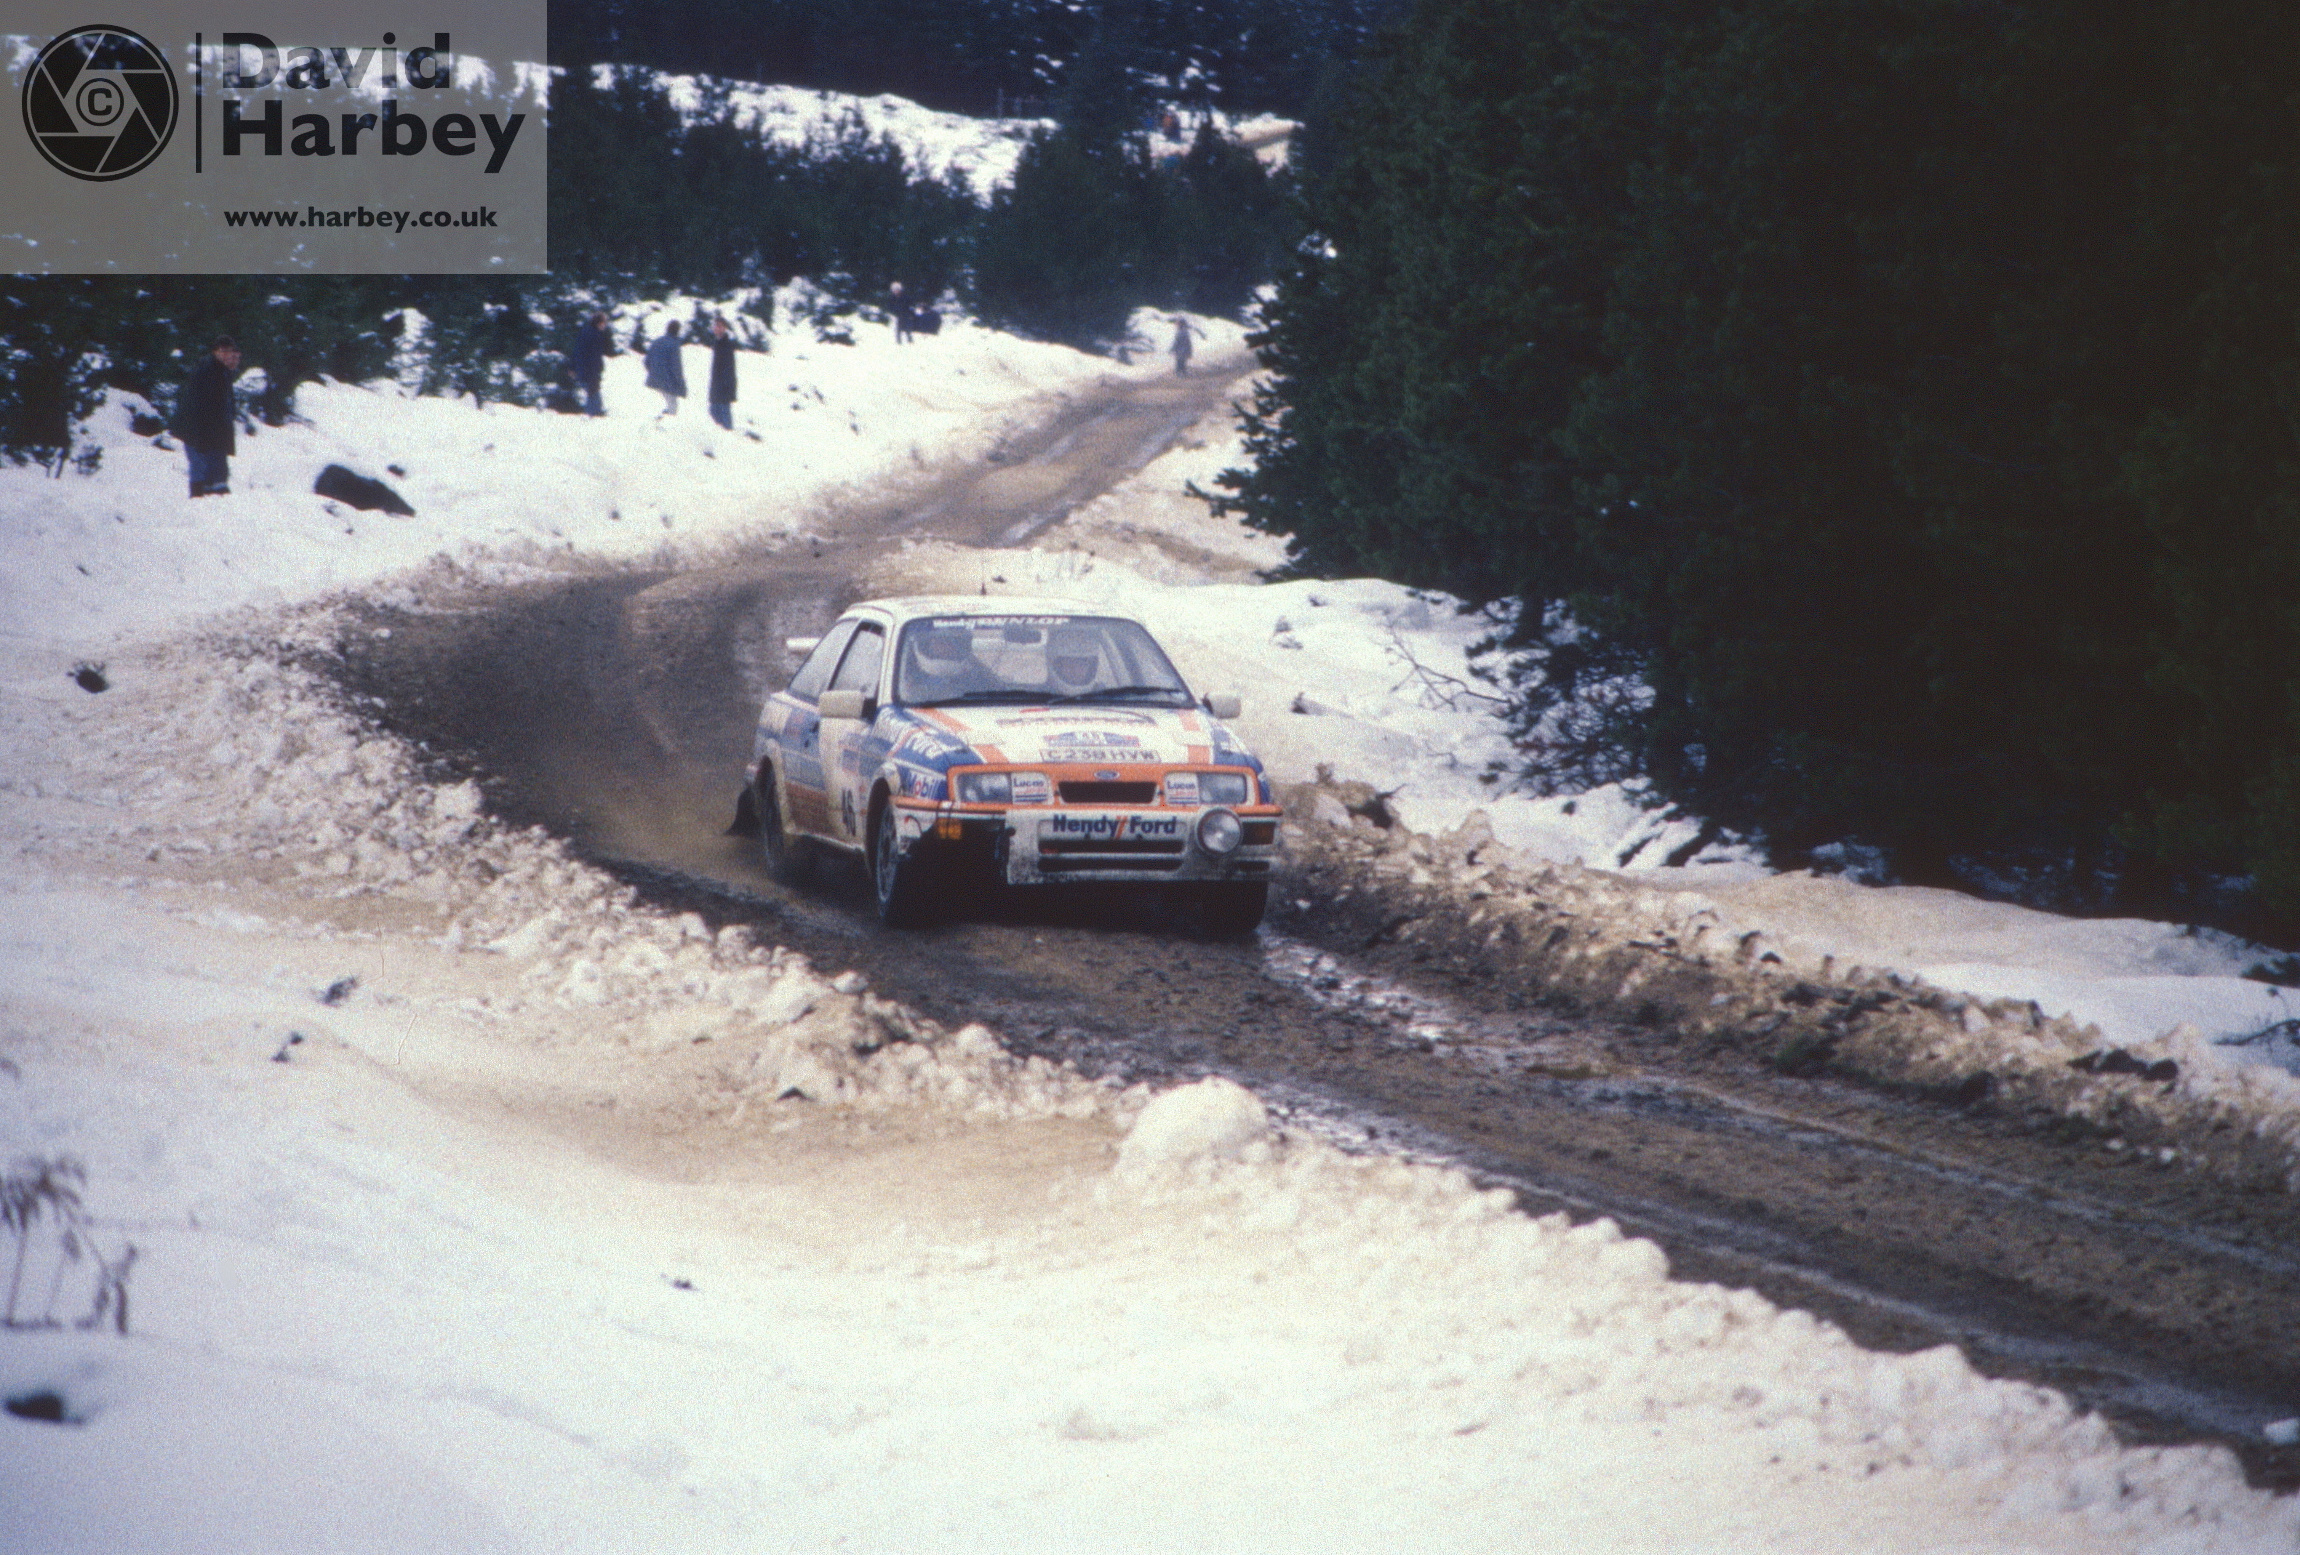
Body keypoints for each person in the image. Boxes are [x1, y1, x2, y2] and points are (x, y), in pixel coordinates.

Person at [176, 334, 242, 497]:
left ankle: (213, 489)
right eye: (223, 351)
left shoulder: (222, 370)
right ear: (215, 352)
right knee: (199, 459)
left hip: (211, 425)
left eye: (229, 351)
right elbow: (201, 401)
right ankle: (199, 494)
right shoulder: (208, 369)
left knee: (212, 456)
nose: (227, 355)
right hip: (196, 424)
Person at [643, 319, 686, 416]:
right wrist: (681, 386)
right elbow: (676, 367)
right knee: (672, 408)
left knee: (657, 407)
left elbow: (646, 361)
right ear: (678, 331)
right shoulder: (674, 345)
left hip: (653, 382)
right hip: (668, 384)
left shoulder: (656, 341)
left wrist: (653, 372)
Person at [569, 312, 608, 416]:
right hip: (589, 371)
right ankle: (593, 414)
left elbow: (576, 350)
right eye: (604, 323)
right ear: (599, 323)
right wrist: (596, 371)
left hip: (583, 369)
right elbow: (594, 357)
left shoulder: (585, 332)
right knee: (593, 391)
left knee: (593, 392)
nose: (605, 325)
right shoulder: (595, 335)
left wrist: (572, 367)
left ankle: (595, 411)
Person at [706, 316, 738, 430]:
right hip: (717, 389)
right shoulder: (718, 343)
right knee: (715, 419)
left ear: (725, 328)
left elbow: (728, 370)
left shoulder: (726, 345)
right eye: (715, 325)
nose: (717, 328)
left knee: (723, 422)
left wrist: (726, 390)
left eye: (720, 326)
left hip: (723, 390)